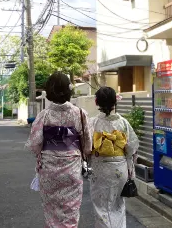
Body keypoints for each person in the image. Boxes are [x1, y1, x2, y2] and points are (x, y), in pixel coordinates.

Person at [25, 72, 92, 228]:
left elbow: (34, 144)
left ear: (49, 91)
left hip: (49, 171)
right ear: (68, 90)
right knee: (71, 212)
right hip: (72, 170)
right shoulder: (80, 114)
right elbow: (87, 144)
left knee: (51, 213)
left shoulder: (44, 115)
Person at [89, 87, 139, 228]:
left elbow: (87, 147)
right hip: (119, 168)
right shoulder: (123, 123)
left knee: (101, 207)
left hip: (100, 168)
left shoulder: (92, 123)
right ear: (115, 102)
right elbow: (132, 147)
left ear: (96, 102)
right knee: (118, 205)